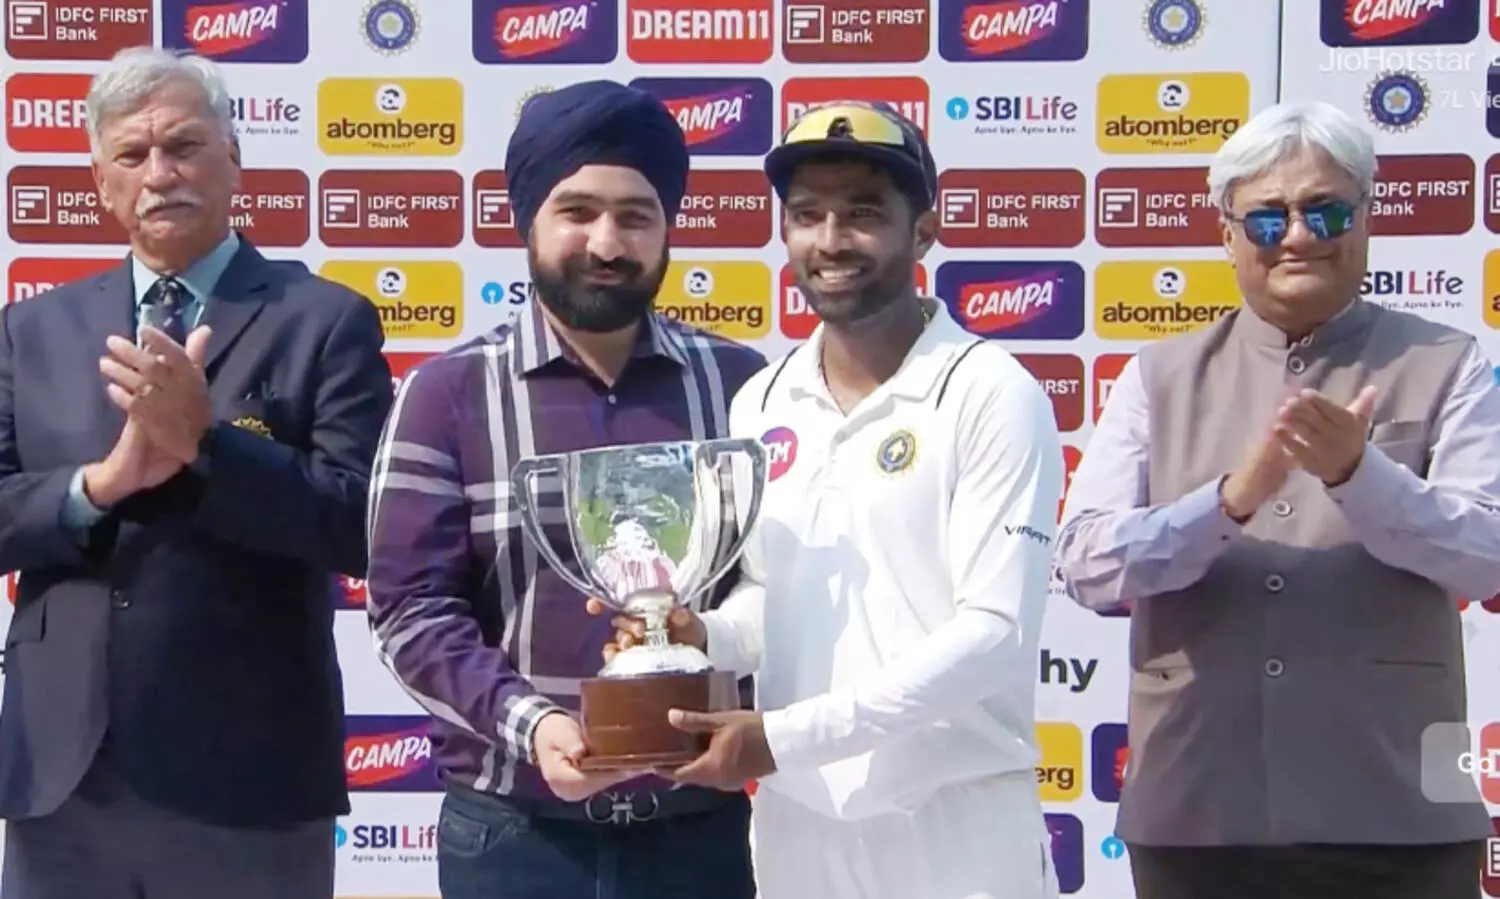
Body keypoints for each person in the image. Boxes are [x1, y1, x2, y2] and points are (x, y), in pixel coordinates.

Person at [594, 101, 1067, 899]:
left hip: (954, 826)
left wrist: (784, 736)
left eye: (863, 213)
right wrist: (701, 634)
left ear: (924, 231)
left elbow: (994, 632)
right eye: (807, 214)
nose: (831, 240)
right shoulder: (762, 401)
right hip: (800, 827)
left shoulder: (990, 391)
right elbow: (770, 597)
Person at [1054, 101, 1500, 899]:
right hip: (1196, 805)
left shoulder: (1448, 361)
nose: (1297, 235)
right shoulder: (1157, 376)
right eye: (1267, 218)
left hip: (1398, 806)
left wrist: (1361, 476)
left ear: (1366, 216)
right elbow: (1085, 564)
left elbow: (1485, 556)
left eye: (1326, 211)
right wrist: (1227, 503)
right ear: (1227, 235)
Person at [0, 47, 393, 899]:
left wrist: (206, 447)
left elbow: (358, 524)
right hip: (64, 777)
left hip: (247, 774)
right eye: (132, 154)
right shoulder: (29, 331)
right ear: (101, 181)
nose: (159, 174)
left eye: (183, 146)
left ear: (234, 160)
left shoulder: (325, 320)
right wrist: (99, 486)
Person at [364, 80, 766, 899]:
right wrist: (535, 726)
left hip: (702, 834)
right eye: (576, 212)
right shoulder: (448, 393)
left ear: (668, 229)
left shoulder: (742, 387)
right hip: (513, 836)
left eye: (636, 216)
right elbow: (409, 609)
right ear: (529, 222)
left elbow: (778, 592)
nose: (606, 242)